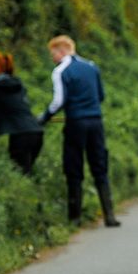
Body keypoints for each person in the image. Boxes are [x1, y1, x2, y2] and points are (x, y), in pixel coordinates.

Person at [38, 35, 120, 228]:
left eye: (53, 54)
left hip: (76, 123)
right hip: (96, 121)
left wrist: (44, 118)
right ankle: (109, 215)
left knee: (74, 167)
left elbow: (58, 101)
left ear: (62, 50)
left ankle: (74, 218)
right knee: (99, 165)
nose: (53, 58)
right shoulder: (92, 67)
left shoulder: (60, 71)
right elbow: (100, 96)